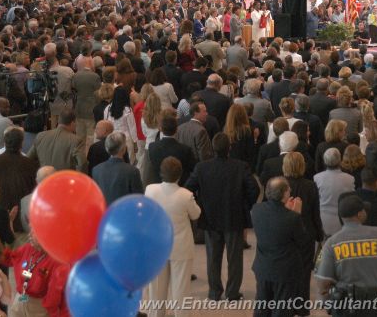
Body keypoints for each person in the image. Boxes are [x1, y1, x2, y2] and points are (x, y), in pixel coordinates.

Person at [184, 133, 259, 301]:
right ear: (229, 148)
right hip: (234, 217)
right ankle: (232, 293)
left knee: (213, 257)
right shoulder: (241, 166)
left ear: (212, 148)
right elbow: (254, 189)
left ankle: (214, 292)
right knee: (235, 259)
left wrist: (200, 206)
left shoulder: (202, 168)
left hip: (210, 218)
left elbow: (188, 188)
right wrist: (246, 205)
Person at [315, 195, 377, 316]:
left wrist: (330, 306)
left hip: (346, 307)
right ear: (359, 215)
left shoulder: (331, 243)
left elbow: (323, 283)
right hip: (376, 305)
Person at [145, 157, 201, 317]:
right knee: (181, 290)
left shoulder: (150, 190)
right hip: (181, 248)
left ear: (161, 173)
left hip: (156, 248)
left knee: (156, 291)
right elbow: (196, 214)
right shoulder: (186, 195)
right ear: (180, 175)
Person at [251, 176, 307, 317]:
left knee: (262, 306)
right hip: (285, 270)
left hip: (263, 267)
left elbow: (274, 223)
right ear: (284, 193)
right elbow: (302, 241)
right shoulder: (292, 218)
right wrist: (296, 213)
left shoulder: (256, 210)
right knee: (282, 309)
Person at [282, 152, 323, 313]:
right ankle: (302, 305)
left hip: (285, 232)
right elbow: (315, 213)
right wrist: (319, 234)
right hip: (306, 232)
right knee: (305, 271)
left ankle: (287, 303)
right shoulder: (310, 185)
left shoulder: (280, 184)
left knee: (286, 269)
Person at [0, 128, 38, 233]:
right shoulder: (30, 164)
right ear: (21, 144)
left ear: (4, 143)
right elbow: (35, 191)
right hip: (22, 217)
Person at [3, 231, 69, 316]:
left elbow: (54, 295)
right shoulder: (27, 248)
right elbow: (11, 258)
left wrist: (52, 312)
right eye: (30, 232)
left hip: (37, 306)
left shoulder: (56, 260)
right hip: (20, 299)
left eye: (34, 233)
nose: (29, 235)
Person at [92, 131, 143, 205]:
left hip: (105, 213)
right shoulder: (132, 171)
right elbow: (139, 199)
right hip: (124, 213)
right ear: (123, 149)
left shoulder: (96, 170)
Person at [148, 109, 195, 187]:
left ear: (161, 129)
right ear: (176, 129)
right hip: (180, 187)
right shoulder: (185, 150)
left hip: (159, 187)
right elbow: (192, 168)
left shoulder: (152, 147)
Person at [314, 148, 355, 237]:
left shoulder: (317, 178)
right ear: (340, 160)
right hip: (343, 221)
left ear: (324, 161)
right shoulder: (350, 179)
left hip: (322, 221)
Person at [71, 54, 101, 151]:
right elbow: (98, 93)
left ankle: (79, 155)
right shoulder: (95, 76)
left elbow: (73, 90)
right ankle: (88, 156)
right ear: (90, 63)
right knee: (91, 136)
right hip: (91, 109)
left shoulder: (75, 76)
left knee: (79, 136)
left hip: (79, 108)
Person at [103, 86, 138, 163]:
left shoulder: (107, 109)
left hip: (111, 139)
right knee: (128, 163)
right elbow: (132, 127)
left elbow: (105, 124)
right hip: (126, 139)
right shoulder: (127, 110)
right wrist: (135, 142)